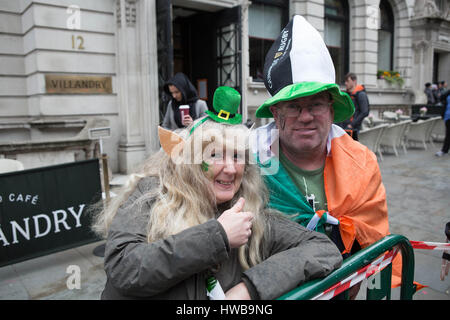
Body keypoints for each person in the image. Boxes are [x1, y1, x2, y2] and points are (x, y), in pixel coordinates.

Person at [92, 86, 342, 300]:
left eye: (237, 156)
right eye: (215, 155)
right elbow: (124, 268)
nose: (231, 169)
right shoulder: (151, 193)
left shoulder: (248, 212)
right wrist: (218, 236)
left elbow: (323, 249)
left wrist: (249, 289)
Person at [251, 15, 391, 298]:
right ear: (276, 115)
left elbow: (370, 241)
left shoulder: (361, 163)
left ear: (331, 110)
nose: (305, 117)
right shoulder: (246, 160)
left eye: (315, 104)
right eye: (293, 106)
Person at [336, 73, 370, 141]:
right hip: (343, 127)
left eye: (347, 81)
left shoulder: (361, 94)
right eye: (345, 81)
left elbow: (365, 112)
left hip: (353, 129)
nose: (345, 83)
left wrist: (352, 125)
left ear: (354, 81)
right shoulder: (347, 94)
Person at [435, 89, 450, 157]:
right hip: (448, 116)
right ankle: (444, 150)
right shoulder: (448, 94)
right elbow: (441, 97)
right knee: (448, 134)